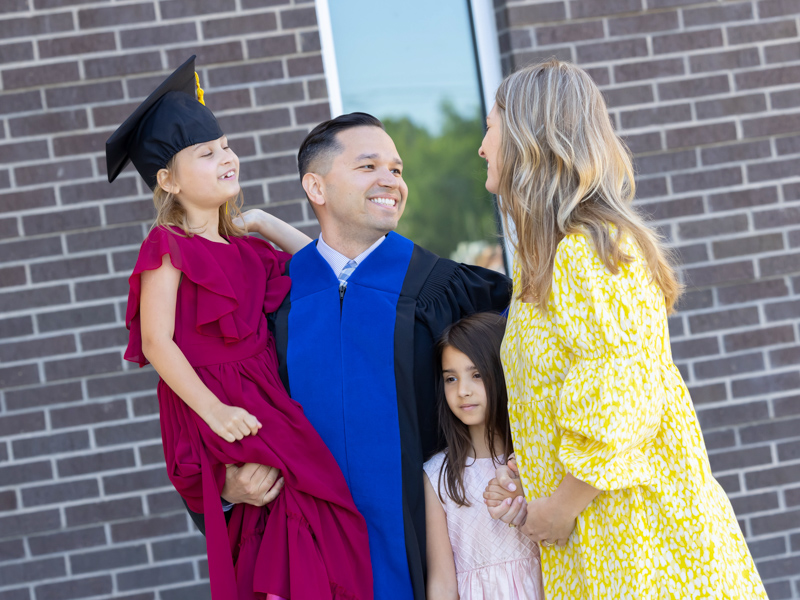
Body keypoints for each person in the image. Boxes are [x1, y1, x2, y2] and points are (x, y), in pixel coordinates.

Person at [479, 59, 767, 598]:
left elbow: (624, 390)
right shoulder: (543, 265)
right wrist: (531, 472)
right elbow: (563, 393)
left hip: (640, 541)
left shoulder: (589, 251)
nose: (482, 146)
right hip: (598, 535)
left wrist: (560, 507)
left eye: (490, 127)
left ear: (528, 139)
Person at [214, 112, 511, 600]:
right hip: (310, 566)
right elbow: (218, 410)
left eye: (396, 169)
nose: (390, 181)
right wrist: (226, 490)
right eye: (368, 166)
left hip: (436, 565)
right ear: (317, 187)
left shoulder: (448, 292)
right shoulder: (274, 305)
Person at [107, 56, 372, 600]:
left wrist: (269, 225)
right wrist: (215, 410)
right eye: (206, 153)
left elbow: (327, 274)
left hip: (263, 399)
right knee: (299, 509)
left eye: (225, 146)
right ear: (167, 180)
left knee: (312, 513)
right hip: (214, 402)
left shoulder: (250, 252)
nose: (225, 157)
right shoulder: (167, 247)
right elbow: (157, 342)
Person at [423, 313, 543, 600]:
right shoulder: (438, 474)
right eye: (451, 379)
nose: (463, 391)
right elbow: (442, 582)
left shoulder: (537, 458)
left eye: (476, 374)